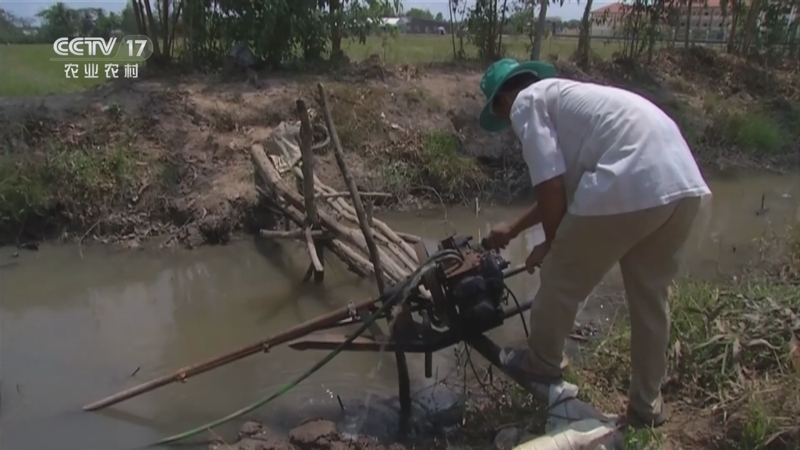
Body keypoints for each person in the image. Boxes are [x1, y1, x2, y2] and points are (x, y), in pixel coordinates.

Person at [478, 58, 712, 428]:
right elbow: (562, 192)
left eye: (502, 114)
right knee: (650, 299)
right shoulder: (572, 101)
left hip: (628, 180)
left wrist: (551, 246)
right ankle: (645, 407)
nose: (509, 124)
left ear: (504, 99)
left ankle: (542, 360)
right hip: (681, 184)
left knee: (559, 276)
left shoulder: (526, 102)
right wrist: (515, 230)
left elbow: (551, 185)